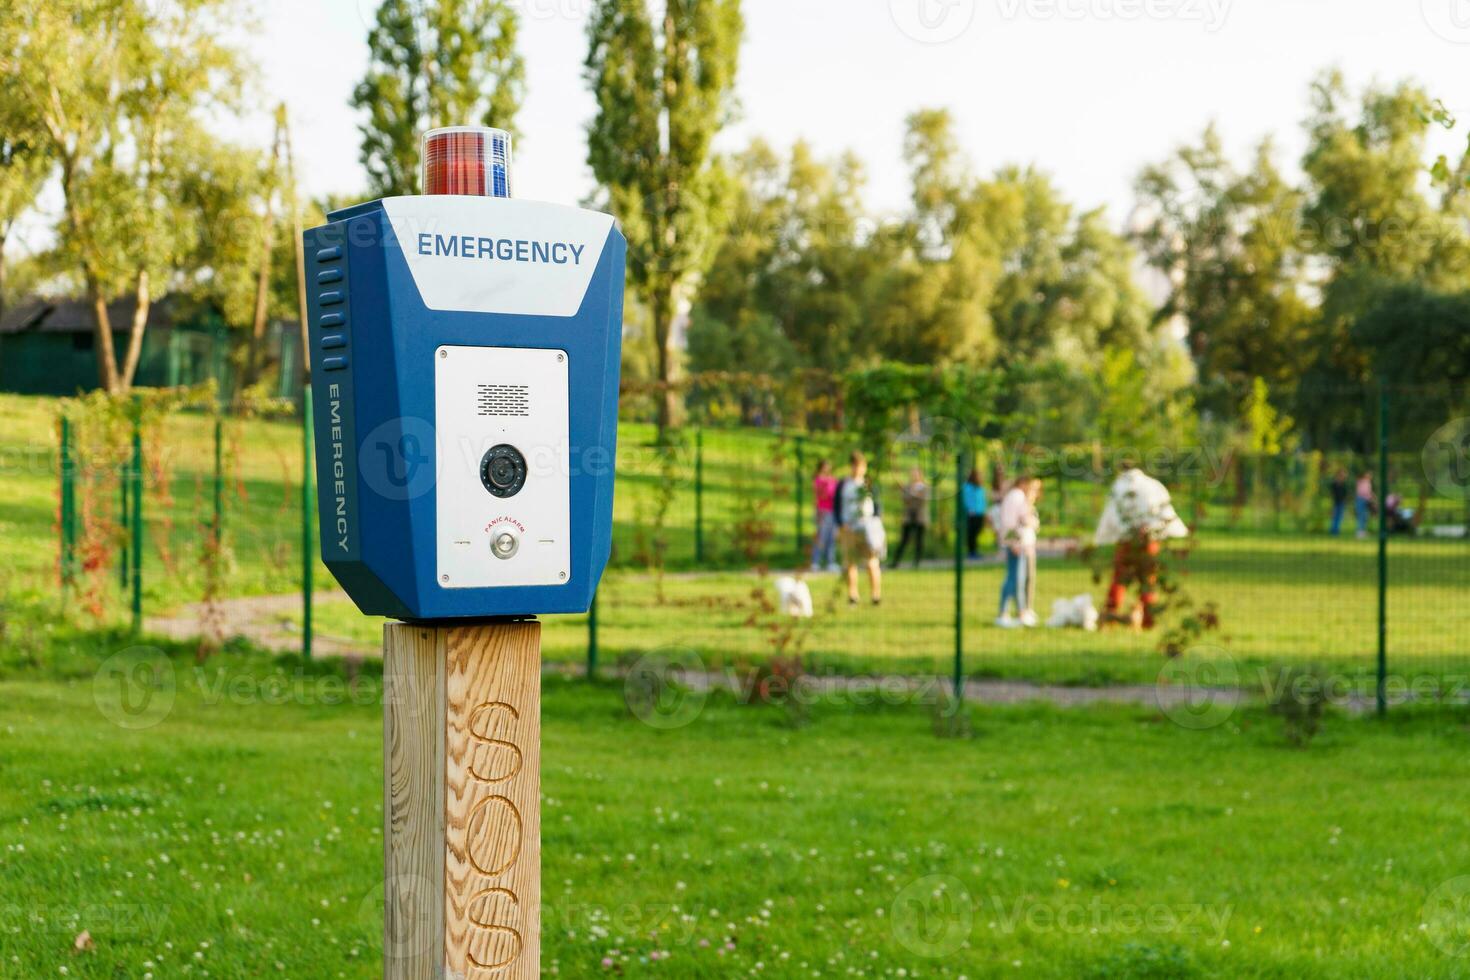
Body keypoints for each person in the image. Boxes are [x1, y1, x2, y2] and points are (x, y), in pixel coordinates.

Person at [1094, 463, 1189, 629]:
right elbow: (1164, 513)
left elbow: (1113, 516)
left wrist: (1117, 533)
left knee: (1120, 578)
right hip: (1149, 540)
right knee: (1148, 580)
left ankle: (1111, 616)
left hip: (1127, 541)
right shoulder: (1153, 485)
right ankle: (1148, 621)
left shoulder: (1119, 486)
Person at [834, 451, 883, 606]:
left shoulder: (868, 484)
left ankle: (876, 594)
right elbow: (836, 506)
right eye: (855, 466)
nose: (857, 469)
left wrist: (875, 525)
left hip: (866, 527)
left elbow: (877, 507)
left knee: (871, 562)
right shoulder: (843, 485)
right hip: (849, 528)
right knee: (850, 563)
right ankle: (853, 595)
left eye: (860, 466)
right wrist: (841, 524)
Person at [995, 476, 1041, 628]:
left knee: (1017, 579)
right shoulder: (1016, 496)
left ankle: (1018, 612)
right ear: (1023, 483)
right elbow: (1010, 522)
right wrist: (1014, 542)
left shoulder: (1017, 496)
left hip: (1019, 543)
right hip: (1016, 544)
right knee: (1013, 579)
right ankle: (1004, 613)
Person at [891, 467, 930, 568]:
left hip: (920, 518)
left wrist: (912, 496)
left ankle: (917, 562)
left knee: (919, 541)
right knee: (904, 540)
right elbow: (905, 499)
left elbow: (922, 501)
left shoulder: (924, 487)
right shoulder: (907, 487)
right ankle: (895, 562)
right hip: (908, 517)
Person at [810, 459, 839, 570]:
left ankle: (830, 562)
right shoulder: (818, 480)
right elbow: (818, 496)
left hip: (833, 511)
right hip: (822, 511)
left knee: (831, 537)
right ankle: (815, 562)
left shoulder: (832, 480)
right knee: (820, 537)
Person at [962, 467, 989, 559]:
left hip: (980, 512)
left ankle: (974, 550)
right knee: (971, 533)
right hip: (972, 513)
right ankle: (971, 552)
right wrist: (970, 509)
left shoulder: (980, 487)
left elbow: (983, 500)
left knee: (977, 531)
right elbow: (966, 500)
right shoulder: (968, 487)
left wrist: (985, 511)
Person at [1329, 466, 1349, 536]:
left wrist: (1345, 500)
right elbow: (1332, 493)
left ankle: (1336, 530)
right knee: (1335, 516)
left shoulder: (1343, 484)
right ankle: (1333, 530)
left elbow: (1345, 493)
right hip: (1336, 502)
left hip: (1341, 502)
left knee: (1339, 517)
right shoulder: (1334, 483)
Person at [1354, 470, 1374, 539]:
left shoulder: (1368, 482)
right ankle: (1359, 532)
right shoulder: (1362, 481)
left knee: (1365, 516)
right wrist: (1370, 496)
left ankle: (1363, 531)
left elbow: (1368, 492)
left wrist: (1371, 496)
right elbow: (1363, 492)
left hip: (1366, 500)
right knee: (1361, 516)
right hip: (1361, 500)